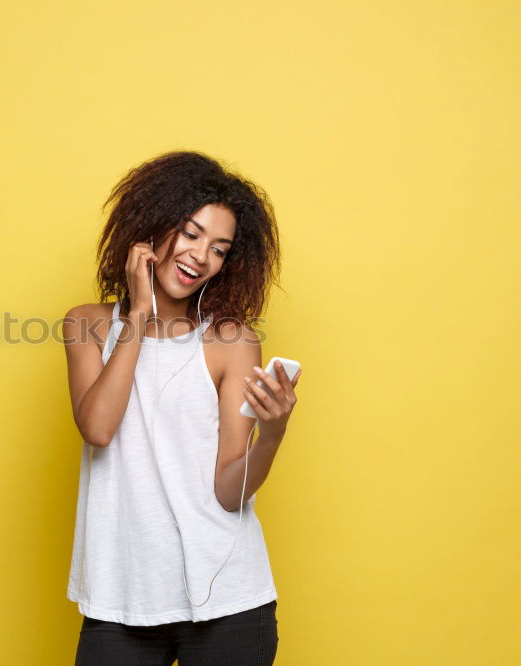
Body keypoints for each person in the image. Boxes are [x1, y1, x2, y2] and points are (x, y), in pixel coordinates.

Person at [62, 150, 302, 665]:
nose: (201, 256)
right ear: (150, 226)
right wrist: (140, 313)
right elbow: (98, 429)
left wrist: (274, 434)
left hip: (228, 605)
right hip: (119, 600)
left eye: (219, 248)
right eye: (191, 234)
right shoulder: (86, 324)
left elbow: (227, 489)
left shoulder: (232, 341)